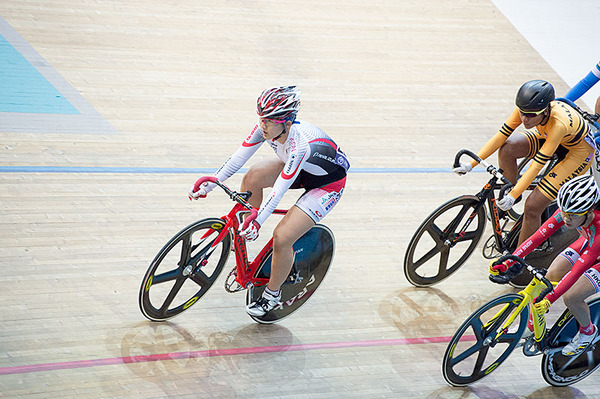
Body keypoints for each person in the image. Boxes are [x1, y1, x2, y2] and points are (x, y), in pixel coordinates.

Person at [188, 86, 349, 317]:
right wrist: (209, 184)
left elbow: (280, 189)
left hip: (326, 185)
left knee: (282, 237)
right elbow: (237, 158)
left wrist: (259, 220)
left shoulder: (300, 144)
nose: (263, 125)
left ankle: (273, 294)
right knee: (253, 176)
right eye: (262, 118)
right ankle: (243, 237)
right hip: (303, 170)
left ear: (287, 122)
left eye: (270, 121)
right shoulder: (265, 128)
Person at [453, 80, 595, 246]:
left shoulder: (559, 124)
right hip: (550, 137)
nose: (525, 119)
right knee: (507, 148)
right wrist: (471, 164)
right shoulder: (527, 108)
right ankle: (511, 192)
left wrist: (512, 196)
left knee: (533, 206)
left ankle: (518, 259)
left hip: (577, 153)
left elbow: (537, 164)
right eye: (522, 113)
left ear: (545, 111)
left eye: (531, 115)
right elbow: (501, 136)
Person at [491, 175, 600, 356]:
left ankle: (588, 333)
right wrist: (509, 260)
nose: (565, 218)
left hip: (595, 250)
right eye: (564, 211)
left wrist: (551, 297)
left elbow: (577, 271)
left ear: (588, 212)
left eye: (572, 215)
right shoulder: (568, 212)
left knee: (571, 297)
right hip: (587, 242)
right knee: (552, 273)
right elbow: (537, 237)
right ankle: (532, 326)